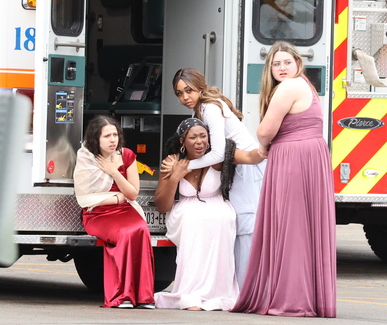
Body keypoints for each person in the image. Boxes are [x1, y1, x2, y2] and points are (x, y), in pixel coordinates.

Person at [232, 42, 337, 317]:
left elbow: (265, 130)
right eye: (276, 64)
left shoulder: (288, 87)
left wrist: (264, 146)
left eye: (286, 62)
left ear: (297, 64)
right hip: (310, 154)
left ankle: (291, 297)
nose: (282, 68)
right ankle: (305, 295)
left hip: (293, 156)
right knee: (303, 225)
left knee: (291, 226)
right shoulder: (306, 86)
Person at [164, 68, 265, 286]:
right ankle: (237, 287)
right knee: (238, 227)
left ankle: (248, 289)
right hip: (236, 167)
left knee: (246, 227)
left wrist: (184, 167)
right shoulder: (200, 110)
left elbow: (218, 152)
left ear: (200, 87)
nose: (184, 98)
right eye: (179, 93)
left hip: (248, 168)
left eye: (188, 91)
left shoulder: (210, 107)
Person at [154, 118, 264, 311]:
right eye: (193, 137)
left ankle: (218, 292)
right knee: (195, 220)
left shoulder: (220, 157)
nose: (199, 142)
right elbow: (163, 206)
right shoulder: (173, 162)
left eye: (203, 136)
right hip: (186, 210)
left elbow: (250, 158)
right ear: (182, 141)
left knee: (222, 218)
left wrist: (269, 146)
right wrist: (174, 178)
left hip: (216, 206)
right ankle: (191, 292)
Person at [74, 115, 155, 309]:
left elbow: (132, 194)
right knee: (125, 234)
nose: (113, 139)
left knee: (141, 229)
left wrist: (115, 172)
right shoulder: (86, 158)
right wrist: (118, 196)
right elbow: (85, 199)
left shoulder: (126, 155)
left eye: (115, 134)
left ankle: (144, 297)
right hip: (97, 215)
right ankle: (121, 296)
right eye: (107, 136)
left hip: (125, 209)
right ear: (96, 139)